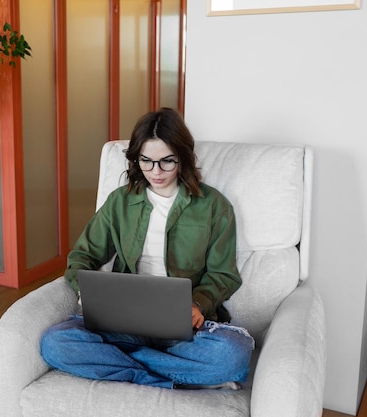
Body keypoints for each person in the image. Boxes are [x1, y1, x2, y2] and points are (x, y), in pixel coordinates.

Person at [40, 107, 254, 390]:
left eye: (167, 161)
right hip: (122, 323)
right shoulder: (119, 202)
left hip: (184, 328)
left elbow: (223, 274)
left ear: (183, 157)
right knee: (56, 343)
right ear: (135, 159)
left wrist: (198, 304)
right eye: (146, 161)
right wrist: (84, 291)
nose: (156, 172)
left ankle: (127, 366)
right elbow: (82, 257)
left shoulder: (214, 206)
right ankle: (174, 377)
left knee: (232, 353)